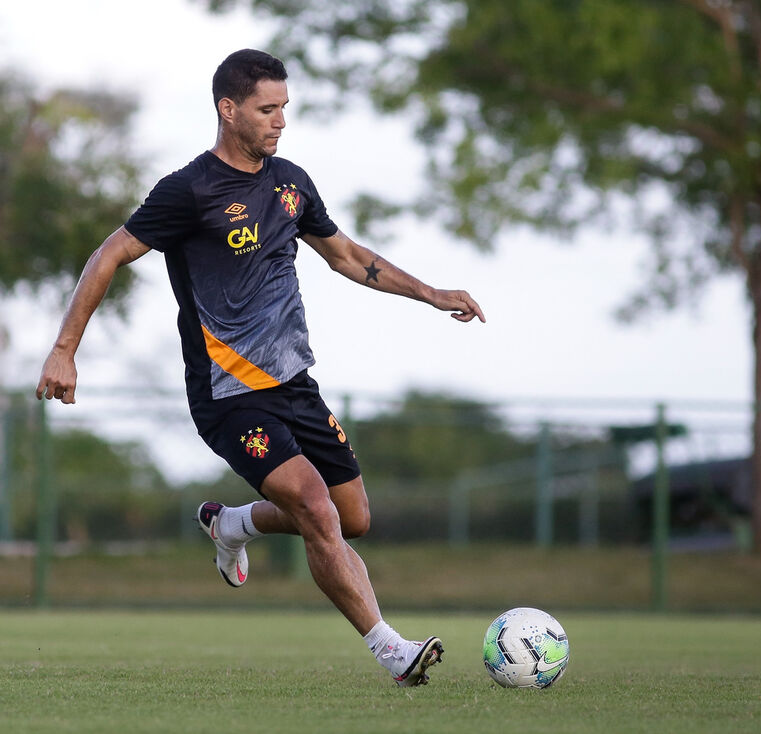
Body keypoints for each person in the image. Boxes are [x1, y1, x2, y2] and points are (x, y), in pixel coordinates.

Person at [35, 48, 485, 687]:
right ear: (228, 110)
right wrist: (64, 350)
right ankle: (391, 649)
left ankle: (233, 523)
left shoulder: (290, 182)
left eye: (284, 109)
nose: (279, 121)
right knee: (314, 508)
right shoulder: (188, 191)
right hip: (229, 397)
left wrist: (431, 293)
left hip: (296, 385)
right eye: (266, 109)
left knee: (350, 517)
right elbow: (107, 256)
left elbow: (349, 257)